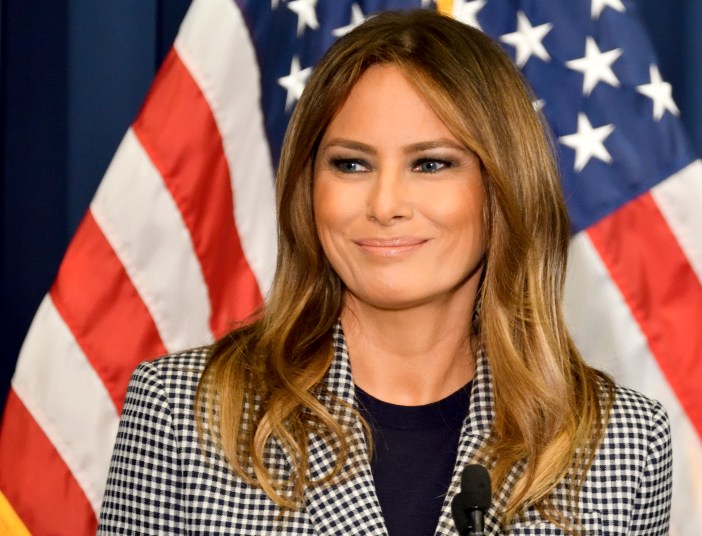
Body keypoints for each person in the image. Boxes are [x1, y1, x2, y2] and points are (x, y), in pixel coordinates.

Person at [97, 9, 671, 536]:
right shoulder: (181, 413)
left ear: (503, 189)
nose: (385, 203)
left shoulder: (621, 443)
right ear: (308, 189)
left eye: (430, 164)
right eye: (351, 164)